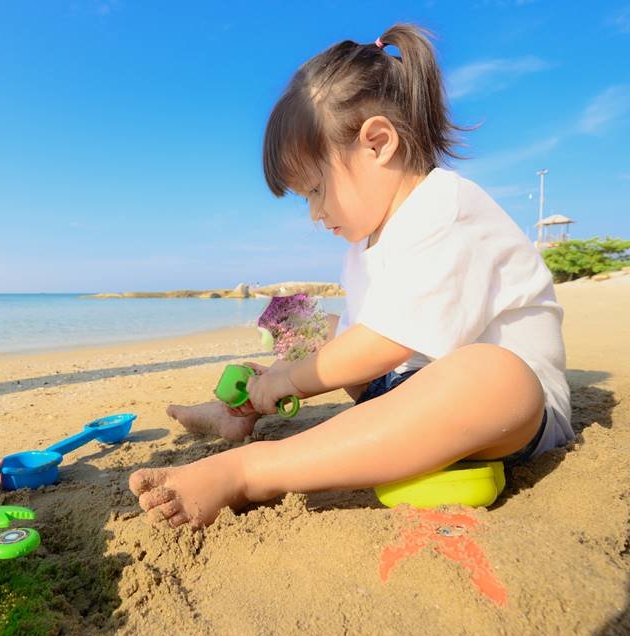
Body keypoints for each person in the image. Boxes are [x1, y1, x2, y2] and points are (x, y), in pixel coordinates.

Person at [129, 24, 573, 529]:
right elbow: (359, 346)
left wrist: (291, 377)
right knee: (309, 324)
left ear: (378, 143)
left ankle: (251, 471)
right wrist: (278, 379)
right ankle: (240, 408)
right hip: (408, 390)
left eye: (316, 190)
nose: (315, 214)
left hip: (503, 416)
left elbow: (387, 341)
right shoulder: (366, 242)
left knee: (497, 376)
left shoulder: (447, 209)